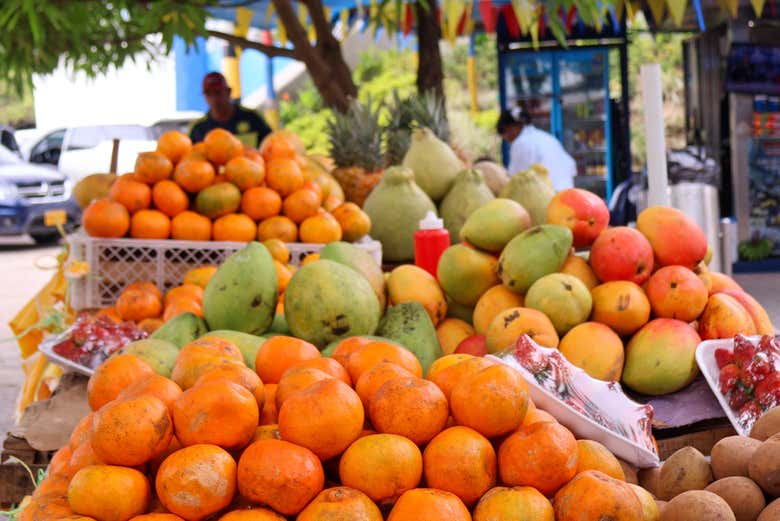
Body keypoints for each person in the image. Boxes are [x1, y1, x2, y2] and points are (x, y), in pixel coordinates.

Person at [496, 106, 577, 191]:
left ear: (514, 126)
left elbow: (515, 180)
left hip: (547, 198)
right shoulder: (547, 137)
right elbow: (571, 167)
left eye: (504, 132)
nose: (505, 138)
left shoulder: (520, 143)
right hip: (567, 192)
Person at [190, 72, 272, 147]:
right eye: (208, 94)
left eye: (218, 92)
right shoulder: (198, 129)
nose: (214, 99)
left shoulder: (252, 118)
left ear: (229, 92)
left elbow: (270, 145)